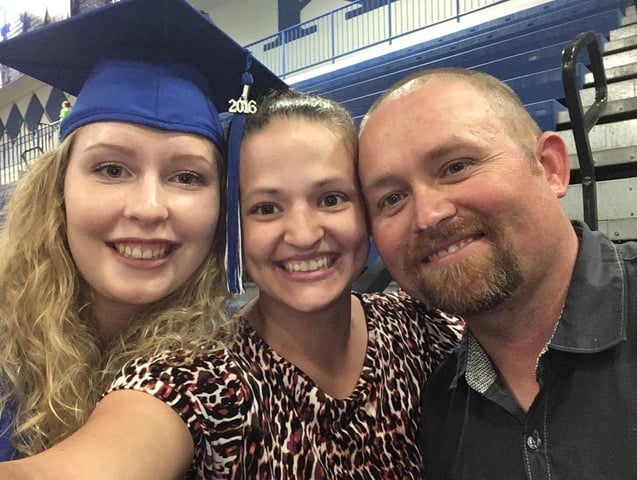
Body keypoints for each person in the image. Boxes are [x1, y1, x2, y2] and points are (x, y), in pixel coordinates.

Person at [0, 88, 463, 478]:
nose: (303, 234)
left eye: (331, 198)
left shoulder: (420, 328)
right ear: (233, 229)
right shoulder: (199, 381)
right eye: (265, 207)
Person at [0, 0, 282, 462]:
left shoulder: (236, 370)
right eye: (112, 169)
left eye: (187, 177)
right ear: (58, 189)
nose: (150, 208)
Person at [357, 66, 637, 479]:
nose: (428, 215)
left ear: (550, 167)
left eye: (456, 167)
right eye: (393, 198)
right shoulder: (435, 412)